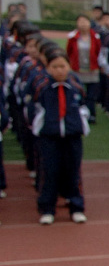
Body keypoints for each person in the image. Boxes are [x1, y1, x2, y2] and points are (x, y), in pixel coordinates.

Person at [28, 49, 89, 224]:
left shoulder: (76, 87)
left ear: (69, 67)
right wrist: (39, 128)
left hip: (72, 136)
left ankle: (76, 206)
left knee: (73, 171)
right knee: (50, 171)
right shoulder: (42, 87)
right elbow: (34, 109)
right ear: (47, 68)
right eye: (54, 67)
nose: (59, 70)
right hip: (50, 136)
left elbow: (83, 108)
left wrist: (80, 126)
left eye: (62, 66)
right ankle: (47, 208)